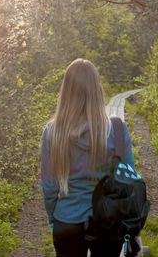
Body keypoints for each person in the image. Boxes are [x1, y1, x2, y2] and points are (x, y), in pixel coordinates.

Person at [41, 58, 142, 257]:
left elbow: (49, 185)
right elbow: (130, 180)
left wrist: (54, 217)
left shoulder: (52, 132)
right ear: (97, 89)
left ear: (66, 91)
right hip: (107, 221)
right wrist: (134, 227)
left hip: (67, 220)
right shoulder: (116, 129)